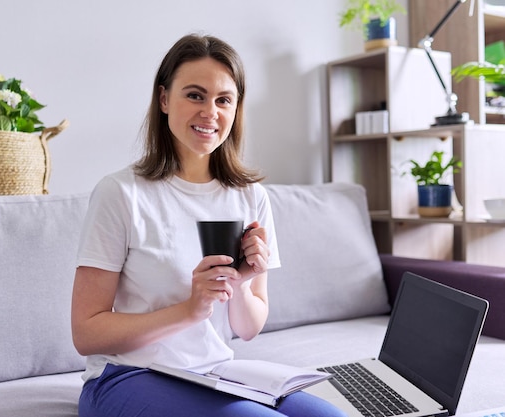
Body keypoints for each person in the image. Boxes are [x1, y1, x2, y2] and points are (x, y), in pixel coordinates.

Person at [71, 33, 347, 417]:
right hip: (127, 375)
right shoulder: (120, 193)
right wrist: (190, 309)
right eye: (195, 95)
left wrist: (242, 282)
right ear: (165, 99)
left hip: (212, 372)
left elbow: (249, 329)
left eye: (224, 100)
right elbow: (86, 333)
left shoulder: (250, 196)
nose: (210, 112)